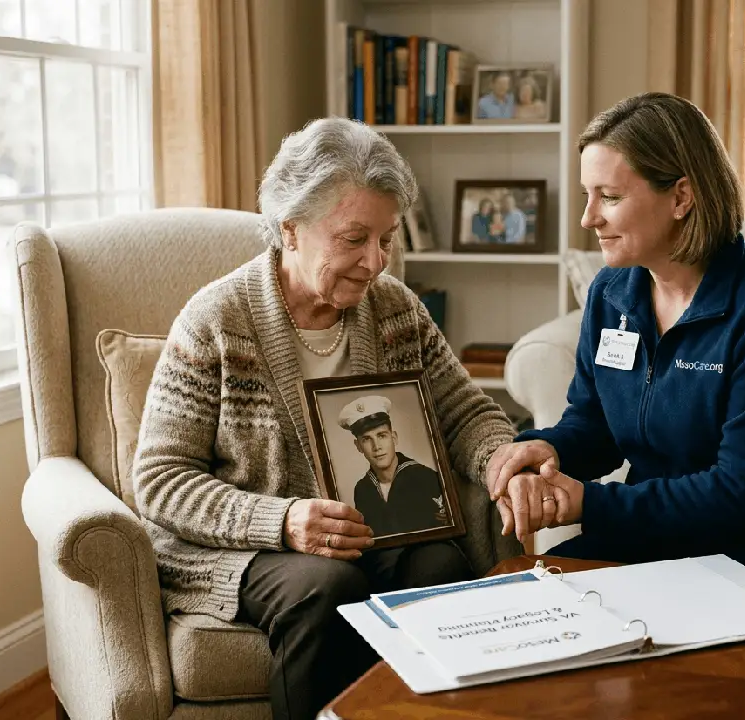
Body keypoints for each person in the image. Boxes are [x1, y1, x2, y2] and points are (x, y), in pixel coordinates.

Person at [133, 117, 517, 719]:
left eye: (386, 239)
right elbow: (160, 479)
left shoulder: (395, 311)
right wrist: (282, 519)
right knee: (325, 587)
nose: (375, 262)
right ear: (290, 228)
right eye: (353, 238)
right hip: (250, 546)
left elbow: (464, 410)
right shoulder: (216, 321)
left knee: (441, 562)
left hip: (372, 530)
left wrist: (505, 459)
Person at [485, 92, 745, 583]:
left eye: (608, 196)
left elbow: (744, 492)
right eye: (587, 195)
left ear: (680, 197)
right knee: (526, 604)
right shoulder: (611, 294)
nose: (588, 218)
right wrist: (545, 452)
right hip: (661, 538)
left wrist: (587, 501)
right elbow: (594, 428)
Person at [340, 394, 447, 537]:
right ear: (358, 446)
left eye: (382, 436)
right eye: (366, 439)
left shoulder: (426, 477)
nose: (376, 446)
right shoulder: (362, 489)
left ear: (394, 438)